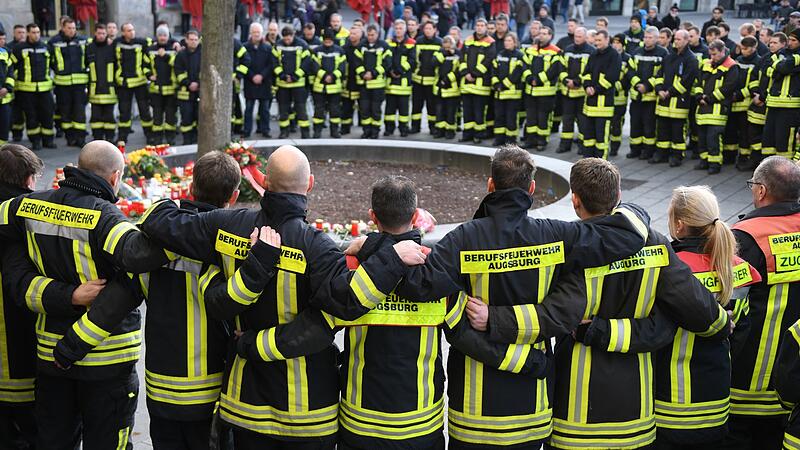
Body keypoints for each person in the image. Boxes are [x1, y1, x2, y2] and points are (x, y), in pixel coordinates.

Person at [137, 144, 428, 450]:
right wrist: (389, 258)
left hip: (245, 404)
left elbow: (161, 223)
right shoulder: (319, 248)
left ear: (262, 181)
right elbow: (347, 303)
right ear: (310, 184)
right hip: (308, 412)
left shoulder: (227, 226)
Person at [384, 147, 669, 448]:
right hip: (532, 407)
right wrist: (633, 209)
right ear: (532, 188)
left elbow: (415, 284)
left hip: (473, 413)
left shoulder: (462, 239)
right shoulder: (555, 235)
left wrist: (376, 247)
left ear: (490, 186)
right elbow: (623, 237)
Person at [500, 162, 731, 450]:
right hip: (636, 414)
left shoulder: (567, 249)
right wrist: (725, 324)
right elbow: (702, 313)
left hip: (575, 413)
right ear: (619, 194)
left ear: (575, 200)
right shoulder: (655, 244)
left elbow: (548, 316)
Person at [0, 141, 170, 449]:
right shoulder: (105, 216)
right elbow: (139, 253)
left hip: (50, 357)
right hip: (108, 363)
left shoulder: (27, 207)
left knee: (55, 441)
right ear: (115, 177)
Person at [0, 144, 96, 449]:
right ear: (29, 180)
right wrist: (72, 296)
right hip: (18, 350)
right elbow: (22, 284)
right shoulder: (22, 222)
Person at [650, 185, 760, 449]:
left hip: (669, 406)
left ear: (678, 226)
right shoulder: (739, 269)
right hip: (717, 403)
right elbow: (741, 334)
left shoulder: (666, 269)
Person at [726, 156, 800, 449]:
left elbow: (726, 308)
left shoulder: (745, 238)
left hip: (746, 383)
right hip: (792, 384)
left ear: (761, 191)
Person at [743, 32, 786, 172]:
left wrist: (762, 97)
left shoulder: (783, 61)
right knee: (753, 134)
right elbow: (754, 76)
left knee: (768, 139)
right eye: (771, 42)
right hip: (757, 103)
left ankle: (766, 165)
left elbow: (777, 84)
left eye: (775, 43)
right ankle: (756, 161)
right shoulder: (764, 58)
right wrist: (755, 92)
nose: (771, 45)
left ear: (783, 44)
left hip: (770, 104)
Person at [655, 29, 698, 168]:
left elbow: (686, 81)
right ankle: (662, 153)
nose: (676, 41)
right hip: (664, 100)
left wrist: (670, 92)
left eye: (679, 39)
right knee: (662, 128)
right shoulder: (669, 56)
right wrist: (659, 89)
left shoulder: (691, 59)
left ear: (686, 40)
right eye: (675, 39)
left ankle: (677, 156)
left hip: (679, 102)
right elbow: (659, 74)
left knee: (678, 131)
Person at [694, 40, 738, 175]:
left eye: (715, 54)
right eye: (710, 54)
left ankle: (715, 163)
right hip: (702, 108)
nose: (712, 57)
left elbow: (729, 87)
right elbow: (698, 81)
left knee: (713, 138)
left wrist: (708, 98)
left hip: (717, 108)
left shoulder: (731, 66)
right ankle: (704, 160)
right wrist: (699, 96)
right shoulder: (706, 63)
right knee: (702, 136)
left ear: (722, 51)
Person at [626, 26, 669, 162]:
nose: (647, 40)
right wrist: (638, 83)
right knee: (635, 123)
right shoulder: (636, 52)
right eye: (645, 37)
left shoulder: (663, 53)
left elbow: (661, 74)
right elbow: (630, 70)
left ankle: (648, 150)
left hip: (651, 98)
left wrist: (647, 86)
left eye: (650, 37)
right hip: (636, 96)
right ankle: (635, 149)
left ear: (656, 39)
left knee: (649, 126)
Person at [9, 23, 54, 151]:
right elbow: (11, 66)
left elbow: (54, 64)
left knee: (47, 115)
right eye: (33, 32)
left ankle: (48, 140)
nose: (36, 35)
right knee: (31, 116)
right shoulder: (19, 48)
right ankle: (35, 141)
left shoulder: (46, 47)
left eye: (38, 32)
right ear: (28, 33)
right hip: (26, 90)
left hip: (45, 89)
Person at [48, 17, 88, 148]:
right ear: (63, 28)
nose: (72, 31)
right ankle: (70, 137)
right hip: (62, 84)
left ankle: (80, 137)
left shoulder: (82, 41)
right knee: (65, 111)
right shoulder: (54, 42)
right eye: (69, 28)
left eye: (73, 28)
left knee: (79, 111)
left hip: (79, 84)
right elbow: (49, 61)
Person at [580, 30, 620, 159]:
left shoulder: (614, 55)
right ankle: (587, 162)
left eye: (599, 40)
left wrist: (595, 89)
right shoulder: (594, 54)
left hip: (603, 107)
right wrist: (586, 86)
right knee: (588, 138)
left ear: (607, 39)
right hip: (590, 106)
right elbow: (586, 73)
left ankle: (601, 165)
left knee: (601, 139)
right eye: (595, 40)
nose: (596, 43)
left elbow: (611, 77)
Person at [761, 28, 800, 161]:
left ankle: (786, 174)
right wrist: (785, 68)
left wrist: (780, 67)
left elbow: (782, 68)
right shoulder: (781, 54)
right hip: (772, 104)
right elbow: (769, 70)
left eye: (794, 40)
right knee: (768, 141)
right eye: (789, 39)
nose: (790, 42)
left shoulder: (794, 55)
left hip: (790, 107)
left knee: (785, 143)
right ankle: (769, 169)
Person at [521, 26, 561, 151]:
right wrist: (529, 78)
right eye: (540, 33)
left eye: (545, 33)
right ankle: (530, 140)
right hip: (530, 91)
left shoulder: (556, 51)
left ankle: (542, 141)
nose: (542, 35)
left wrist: (537, 80)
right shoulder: (530, 49)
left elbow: (553, 70)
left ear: (550, 36)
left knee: (543, 118)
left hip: (546, 92)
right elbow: (524, 64)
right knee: (531, 117)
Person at [114, 23, 153, 145]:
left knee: (144, 112)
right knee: (124, 113)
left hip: (140, 83)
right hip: (124, 84)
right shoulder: (117, 43)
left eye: (133, 29)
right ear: (123, 33)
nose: (132, 32)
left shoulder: (142, 42)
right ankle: (122, 138)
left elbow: (160, 42)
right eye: (129, 30)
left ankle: (149, 136)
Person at [459, 19, 495, 144]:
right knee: (467, 111)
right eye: (478, 25)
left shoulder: (490, 42)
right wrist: (465, 73)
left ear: (486, 28)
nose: (479, 28)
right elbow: (461, 58)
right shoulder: (468, 40)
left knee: (479, 112)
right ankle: (467, 134)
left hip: (481, 85)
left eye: (482, 26)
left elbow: (488, 60)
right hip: (466, 83)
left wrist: (474, 74)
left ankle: (478, 135)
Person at [558, 27, 593, 154]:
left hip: (581, 94)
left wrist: (577, 82)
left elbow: (589, 72)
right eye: (575, 36)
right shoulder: (567, 50)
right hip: (567, 92)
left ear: (585, 37)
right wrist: (566, 81)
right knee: (567, 120)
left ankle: (582, 146)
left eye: (579, 36)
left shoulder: (591, 51)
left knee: (582, 121)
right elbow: (561, 68)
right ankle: (565, 144)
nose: (577, 39)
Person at [727, 37, 761, 171]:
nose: (743, 51)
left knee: (745, 134)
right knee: (732, 131)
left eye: (746, 49)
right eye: (741, 48)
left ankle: (745, 157)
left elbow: (755, 84)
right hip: (733, 102)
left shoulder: (758, 62)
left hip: (746, 104)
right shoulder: (739, 60)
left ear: (754, 48)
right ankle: (730, 156)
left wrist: (740, 94)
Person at [274, 26, 312, 139]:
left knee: (301, 109)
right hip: (283, 84)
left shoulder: (302, 45)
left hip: (298, 84)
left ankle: (305, 133)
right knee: (283, 109)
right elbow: (274, 63)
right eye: (285, 39)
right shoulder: (278, 45)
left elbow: (306, 62)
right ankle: (284, 131)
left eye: (289, 38)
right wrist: (282, 76)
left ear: (293, 35)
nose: (287, 41)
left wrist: (295, 76)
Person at [356, 24, 390, 139]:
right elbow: (357, 62)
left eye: (373, 35)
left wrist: (373, 73)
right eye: (369, 35)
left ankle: (375, 131)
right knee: (364, 109)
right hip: (364, 84)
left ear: (377, 34)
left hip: (378, 85)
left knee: (376, 110)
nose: (370, 37)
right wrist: (363, 73)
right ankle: (366, 130)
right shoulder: (361, 46)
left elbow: (387, 63)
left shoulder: (384, 46)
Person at [310, 28, 346, 138]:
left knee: (335, 111)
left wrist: (333, 76)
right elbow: (314, 66)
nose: (327, 42)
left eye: (329, 40)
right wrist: (325, 76)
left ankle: (334, 131)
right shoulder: (316, 51)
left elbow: (342, 67)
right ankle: (317, 131)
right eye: (326, 40)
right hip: (320, 87)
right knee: (318, 111)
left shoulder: (339, 51)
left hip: (334, 88)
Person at [147, 25, 178, 146]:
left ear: (168, 36)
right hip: (156, 90)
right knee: (157, 117)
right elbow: (144, 66)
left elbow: (177, 65)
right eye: (160, 35)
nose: (162, 37)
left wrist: (165, 56)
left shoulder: (174, 48)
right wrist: (149, 75)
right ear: (157, 36)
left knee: (170, 116)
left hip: (170, 89)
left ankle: (170, 138)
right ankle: (158, 139)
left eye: (165, 35)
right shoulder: (151, 49)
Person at [85, 24, 117, 143]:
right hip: (95, 89)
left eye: (104, 33)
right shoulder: (89, 47)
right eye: (99, 33)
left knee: (109, 116)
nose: (101, 36)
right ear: (95, 33)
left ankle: (110, 137)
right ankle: (97, 138)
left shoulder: (112, 46)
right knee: (96, 117)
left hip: (110, 89)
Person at [383, 19, 414, 137]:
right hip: (391, 81)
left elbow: (412, 61)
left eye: (401, 28)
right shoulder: (388, 43)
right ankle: (389, 128)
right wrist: (390, 70)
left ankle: (403, 129)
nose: (398, 31)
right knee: (389, 109)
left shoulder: (411, 43)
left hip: (404, 82)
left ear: (405, 30)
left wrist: (399, 71)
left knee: (403, 110)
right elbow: (386, 59)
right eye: (396, 28)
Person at [491, 33, 524, 146]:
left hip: (512, 94)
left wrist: (503, 85)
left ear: (514, 42)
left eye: (509, 41)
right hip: (499, 93)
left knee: (511, 118)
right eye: (506, 41)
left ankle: (511, 140)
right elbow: (494, 70)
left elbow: (517, 73)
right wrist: (496, 83)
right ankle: (499, 138)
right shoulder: (500, 54)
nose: (506, 43)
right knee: (499, 116)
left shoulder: (519, 55)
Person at [243, 22, 275, 139]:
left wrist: (261, 76)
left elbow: (271, 65)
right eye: (254, 32)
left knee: (265, 109)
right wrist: (252, 76)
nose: (256, 34)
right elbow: (243, 64)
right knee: (248, 109)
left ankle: (265, 130)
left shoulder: (268, 47)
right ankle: (246, 131)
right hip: (250, 82)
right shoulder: (245, 47)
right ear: (250, 33)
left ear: (262, 33)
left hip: (264, 82)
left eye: (258, 32)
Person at [410, 21, 441, 135]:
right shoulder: (418, 41)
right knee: (416, 105)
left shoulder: (439, 42)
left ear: (434, 30)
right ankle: (415, 126)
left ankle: (432, 127)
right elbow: (415, 58)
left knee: (431, 106)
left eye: (429, 28)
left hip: (432, 80)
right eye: (426, 28)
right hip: (418, 79)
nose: (427, 30)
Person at [175, 30, 201, 145]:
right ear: (186, 40)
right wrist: (188, 83)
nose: (193, 42)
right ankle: (187, 140)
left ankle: (196, 140)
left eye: (196, 39)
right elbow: (178, 72)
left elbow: (205, 71)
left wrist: (198, 83)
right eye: (191, 39)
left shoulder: (204, 54)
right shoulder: (181, 55)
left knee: (198, 117)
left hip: (200, 92)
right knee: (186, 117)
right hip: (185, 92)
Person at [433, 35, 461, 139]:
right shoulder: (439, 52)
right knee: (440, 111)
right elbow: (434, 62)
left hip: (452, 87)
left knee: (451, 111)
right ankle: (440, 130)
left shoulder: (458, 53)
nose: (447, 45)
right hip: (439, 87)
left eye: (449, 43)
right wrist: (445, 53)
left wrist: (448, 79)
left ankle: (450, 131)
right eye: (445, 43)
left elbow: (459, 70)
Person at [340, 26, 364, 136]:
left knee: (363, 107)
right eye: (351, 33)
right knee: (346, 107)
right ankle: (345, 128)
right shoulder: (344, 48)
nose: (352, 36)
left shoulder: (364, 47)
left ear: (360, 35)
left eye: (354, 34)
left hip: (361, 82)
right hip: (348, 82)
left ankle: (365, 129)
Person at [610, 33, 630, 157]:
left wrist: (615, 86)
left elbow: (628, 78)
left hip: (620, 98)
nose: (616, 45)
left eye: (618, 43)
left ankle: (615, 147)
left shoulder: (627, 59)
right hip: (607, 98)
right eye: (614, 42)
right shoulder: (609, 57)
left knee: (617, 125)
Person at [8, 25, 26, 143]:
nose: (22, 35)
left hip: (25, 86)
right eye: (19, 32)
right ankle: (17, 134)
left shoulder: (26, 47)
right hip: (14, 86)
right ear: (14, 34)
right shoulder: (10, 48)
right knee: (16, 112)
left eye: (24, 32)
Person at [231, 38, 250, 136]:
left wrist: (238, 76)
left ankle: (234, 128)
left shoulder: (235, 43)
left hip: (232, 82)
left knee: (234, 105)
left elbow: (246, 59)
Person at [0, 32, 12, 146]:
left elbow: (10, 73)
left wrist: (7, 88)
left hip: (4, 98)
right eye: (0, 39)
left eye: (4, 39)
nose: (2, 41)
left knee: (4, 128)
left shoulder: (5, 53)